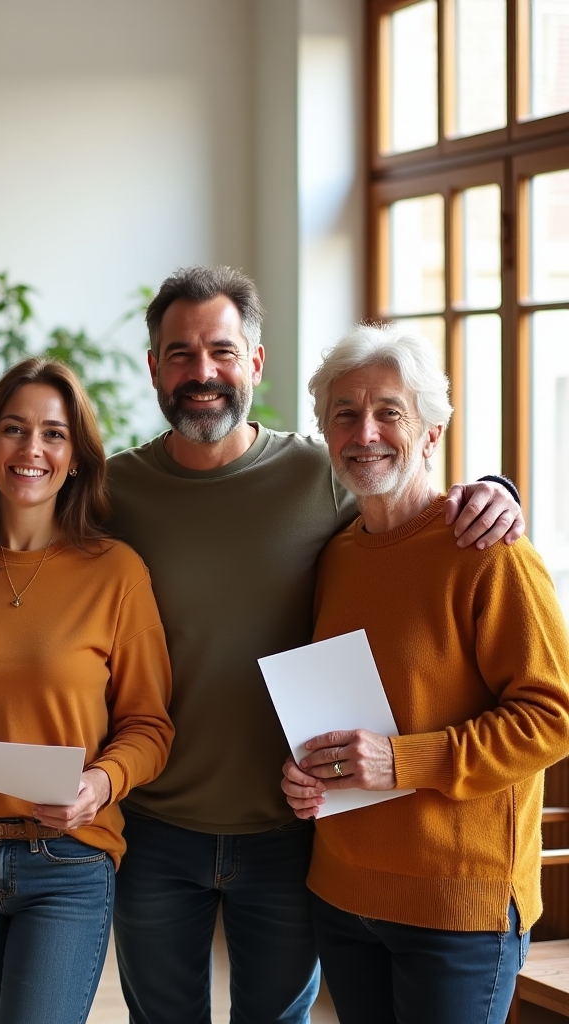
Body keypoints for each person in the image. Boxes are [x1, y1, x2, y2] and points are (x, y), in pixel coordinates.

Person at [105, 266, 526, 1024]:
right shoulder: (111, 493)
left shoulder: (320, 472)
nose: (203, 372)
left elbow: (414, 501)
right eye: (181, 353)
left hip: (291, 827)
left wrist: (497, 488)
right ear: (155, 367)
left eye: (223, 351)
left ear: (255, 364)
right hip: (157, 824)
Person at [278, 325, 569, 1023]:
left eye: (389, 411)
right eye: (344, 413)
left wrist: (400, 762)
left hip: (456, 907)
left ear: (432, 433)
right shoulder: (336, 556)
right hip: (343, 895)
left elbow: (552, 718)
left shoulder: (489, 551)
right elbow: (348, 708)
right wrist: (308, 771)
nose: (365, 431)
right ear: (324, 433)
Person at [0, 358, 174, 1024]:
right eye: (14, 429)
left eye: (53, 434)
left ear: (78, 458)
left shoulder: (116, 572)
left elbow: (149, 725)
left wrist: (101, 784)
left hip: (67, 861)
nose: (32, 450)